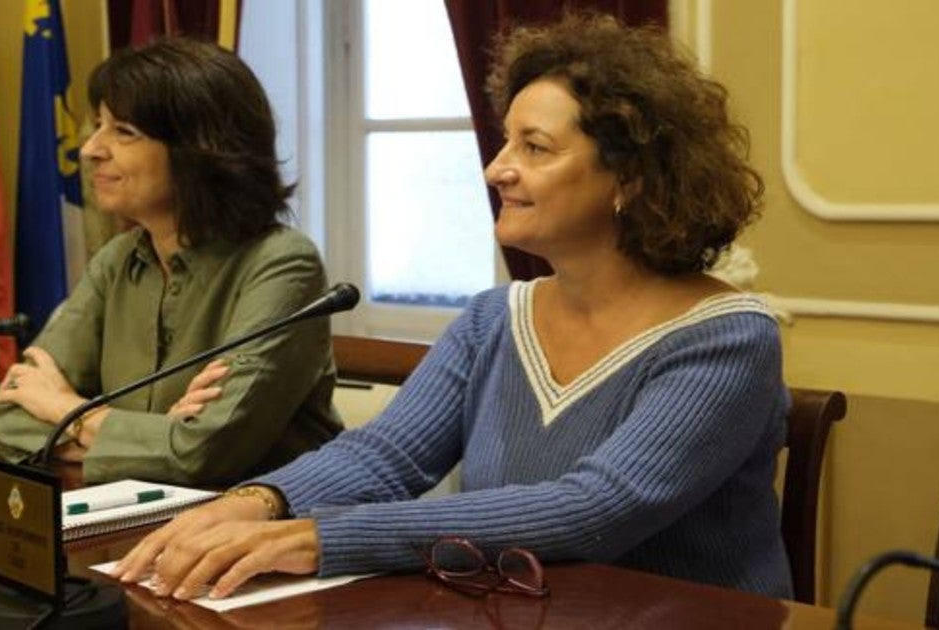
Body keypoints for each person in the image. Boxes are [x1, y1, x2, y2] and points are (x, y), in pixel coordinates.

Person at [112, 13, 793, 600]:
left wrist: (323, 538)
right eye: (506, 142)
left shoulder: (728, 339)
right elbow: (385, 456)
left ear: (632, 179)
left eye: (535, 148)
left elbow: (594, 510)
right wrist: (258, 502)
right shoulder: (494, 317)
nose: (497, 168)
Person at [0, 38, 342, 486]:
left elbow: (202, 454)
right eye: (98, 125)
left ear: (199, 148)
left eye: (123, 132)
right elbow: (9, 415)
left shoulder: (283, 264)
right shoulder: (117, 260)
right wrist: (158, 440)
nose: (91, 149)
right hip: (135, 519)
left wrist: (69, 413)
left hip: (264, 533)